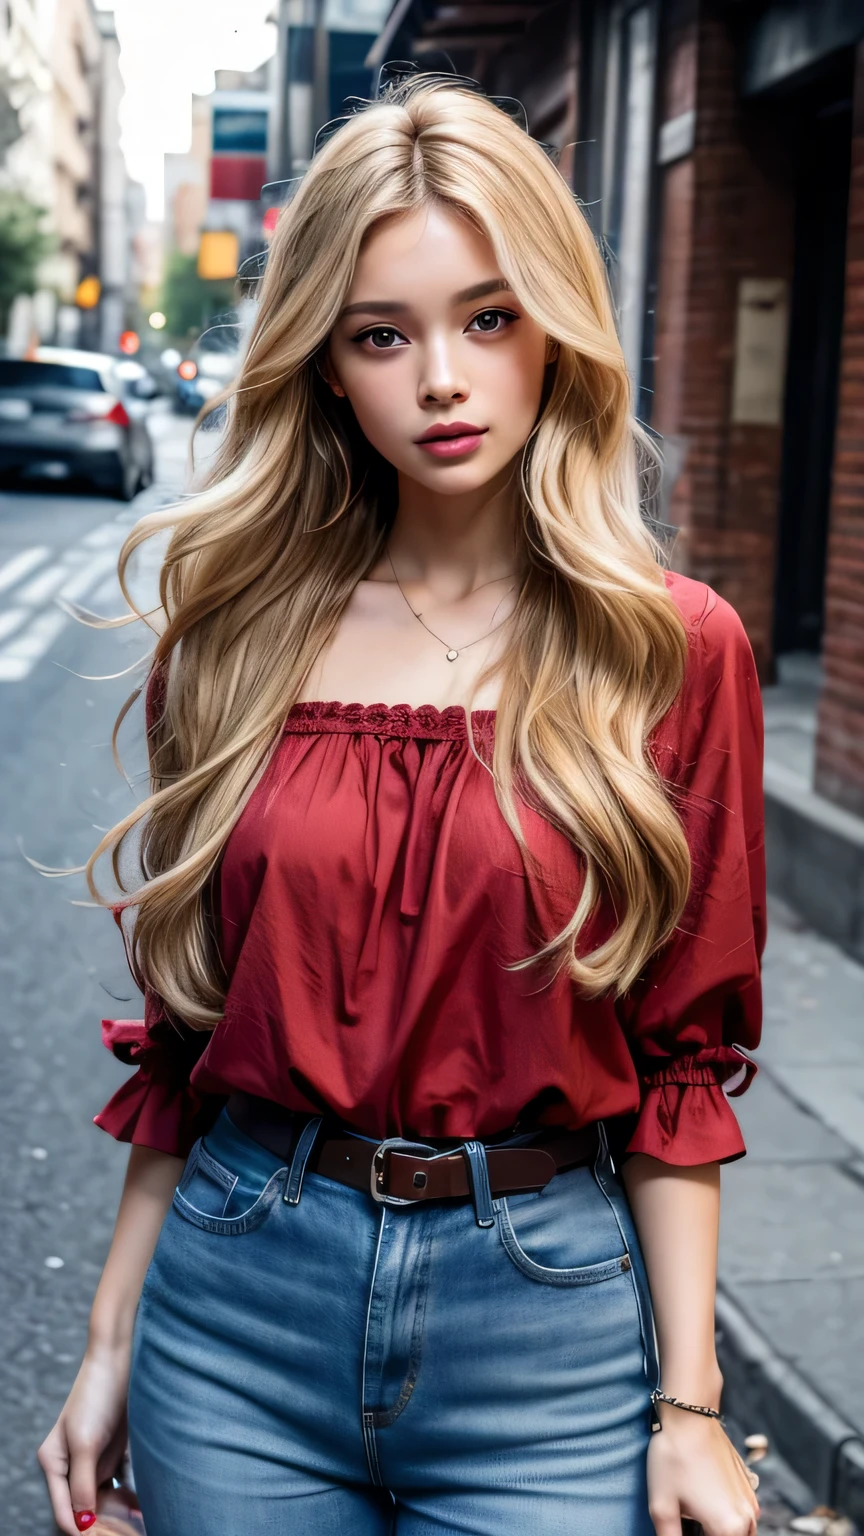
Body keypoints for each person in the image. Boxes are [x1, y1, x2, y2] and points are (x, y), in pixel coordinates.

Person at [38, 73, 765, 1536]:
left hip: (547, 1329)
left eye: (487, 318)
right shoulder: (239, 639)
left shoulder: (670, 648)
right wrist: (110, 1339)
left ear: (554, 328)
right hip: (239, 1304)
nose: (442, 378)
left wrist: (691, 1405)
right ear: (327, 367)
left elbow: (684, 1054)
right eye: (385, 334)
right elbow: (192, 1040)